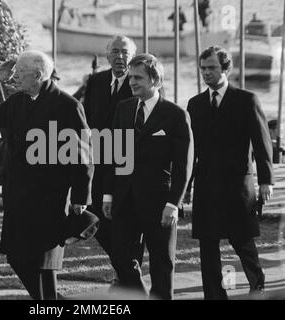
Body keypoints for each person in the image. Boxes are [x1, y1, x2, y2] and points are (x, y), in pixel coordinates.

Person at [0, 50, 93, 300]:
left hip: (50, 197)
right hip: (18, 196)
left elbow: (83, 155)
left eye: (20, 72)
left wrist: (81, 196)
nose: (14, 77)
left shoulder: (67, 105)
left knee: (45, 264)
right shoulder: (18, 101)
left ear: (38, 75)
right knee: (17, 257)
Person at [102, 53, 194, 300]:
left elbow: (183, 165)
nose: (132, 82)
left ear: (156, 80)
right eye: (131, 77)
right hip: (124, 200)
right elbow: (114, 155)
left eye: (138, 78)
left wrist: (173, 203)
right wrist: (109, 194)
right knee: (121, 258)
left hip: (160, 203)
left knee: (162, 265)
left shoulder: (175, 115)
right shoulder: (123, 109)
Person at [185, 46, 274, 300]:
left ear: (226, 69)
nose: (206, 73)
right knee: (208, 247)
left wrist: (266, 181)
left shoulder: (247, 100)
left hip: (237, 186)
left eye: (212, 68)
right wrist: (186, 188)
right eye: (203, 68)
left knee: (244, 243)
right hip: (206, 186)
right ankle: (214, 296)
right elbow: (191, 151)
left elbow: (262, 142)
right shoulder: (195, 104)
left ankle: (258, 287)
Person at [82, 35, 143, 280]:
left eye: (125, 52)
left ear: (134, 56)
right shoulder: (96, 81)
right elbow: (85, 120)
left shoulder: (142, 83)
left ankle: (128, 276)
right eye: (115, 51)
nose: (120, 57)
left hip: (128, 166)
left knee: (129, 226)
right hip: (98, 165)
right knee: (97, 222)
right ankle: (128, 272)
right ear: (107, 55)